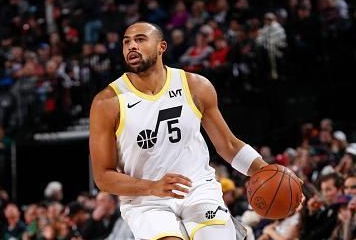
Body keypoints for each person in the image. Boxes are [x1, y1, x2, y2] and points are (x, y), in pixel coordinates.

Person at [89, 22, 302, 240]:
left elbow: (228, 145)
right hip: (146, 200)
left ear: (161, 47)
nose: (131, 46)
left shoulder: (195, 86)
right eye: (126, 42)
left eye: (140, 39)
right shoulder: (107, 102)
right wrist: (152, 187)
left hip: (198, 188)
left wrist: (271, 175)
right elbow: (103, 177)